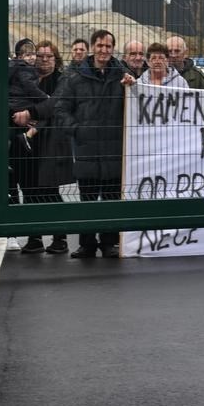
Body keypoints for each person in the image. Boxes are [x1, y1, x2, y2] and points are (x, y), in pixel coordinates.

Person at [57, 29, 128, 258]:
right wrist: (76, 130)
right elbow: (62, 108)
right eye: (100, 46)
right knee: (86, 200)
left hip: (114, 151)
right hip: (86, 149)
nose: (104, 50)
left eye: (108, 46)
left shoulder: (123, 76)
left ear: (113, 49)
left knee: (111, 200)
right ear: (92, 47)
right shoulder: (76, 78)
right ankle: (86, 243)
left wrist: (133, 86)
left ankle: (109, 242)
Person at [19, 40, 71, 254]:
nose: (44, 60)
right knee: (29, 189)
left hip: (51, 139)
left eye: (49, 56)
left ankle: (60, 237)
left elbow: (55, 105)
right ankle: (35, 236)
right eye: (40, 56)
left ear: (56, 58)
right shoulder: (27, 78)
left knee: (50, 191)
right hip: (27, 140)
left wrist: (32, 117)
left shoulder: (61, 79)